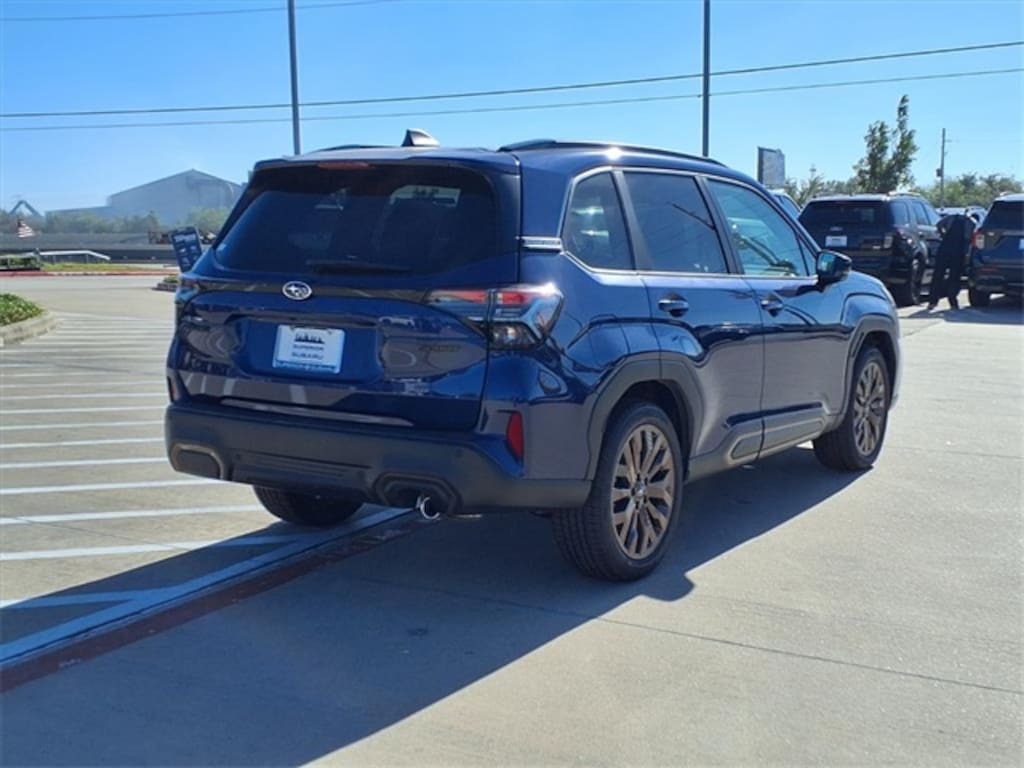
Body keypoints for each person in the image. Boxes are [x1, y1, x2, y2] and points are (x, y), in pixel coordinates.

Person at [928, 212, 975, 310]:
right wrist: (967, 255)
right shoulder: (971, 223)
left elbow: (939, 225)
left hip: (944, 249)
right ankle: (953, 302)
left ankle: (932, 302)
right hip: (958, 252)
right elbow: (969, 238)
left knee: (938, 275)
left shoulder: (951, 217)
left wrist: (943, 234)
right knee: (954, 277)